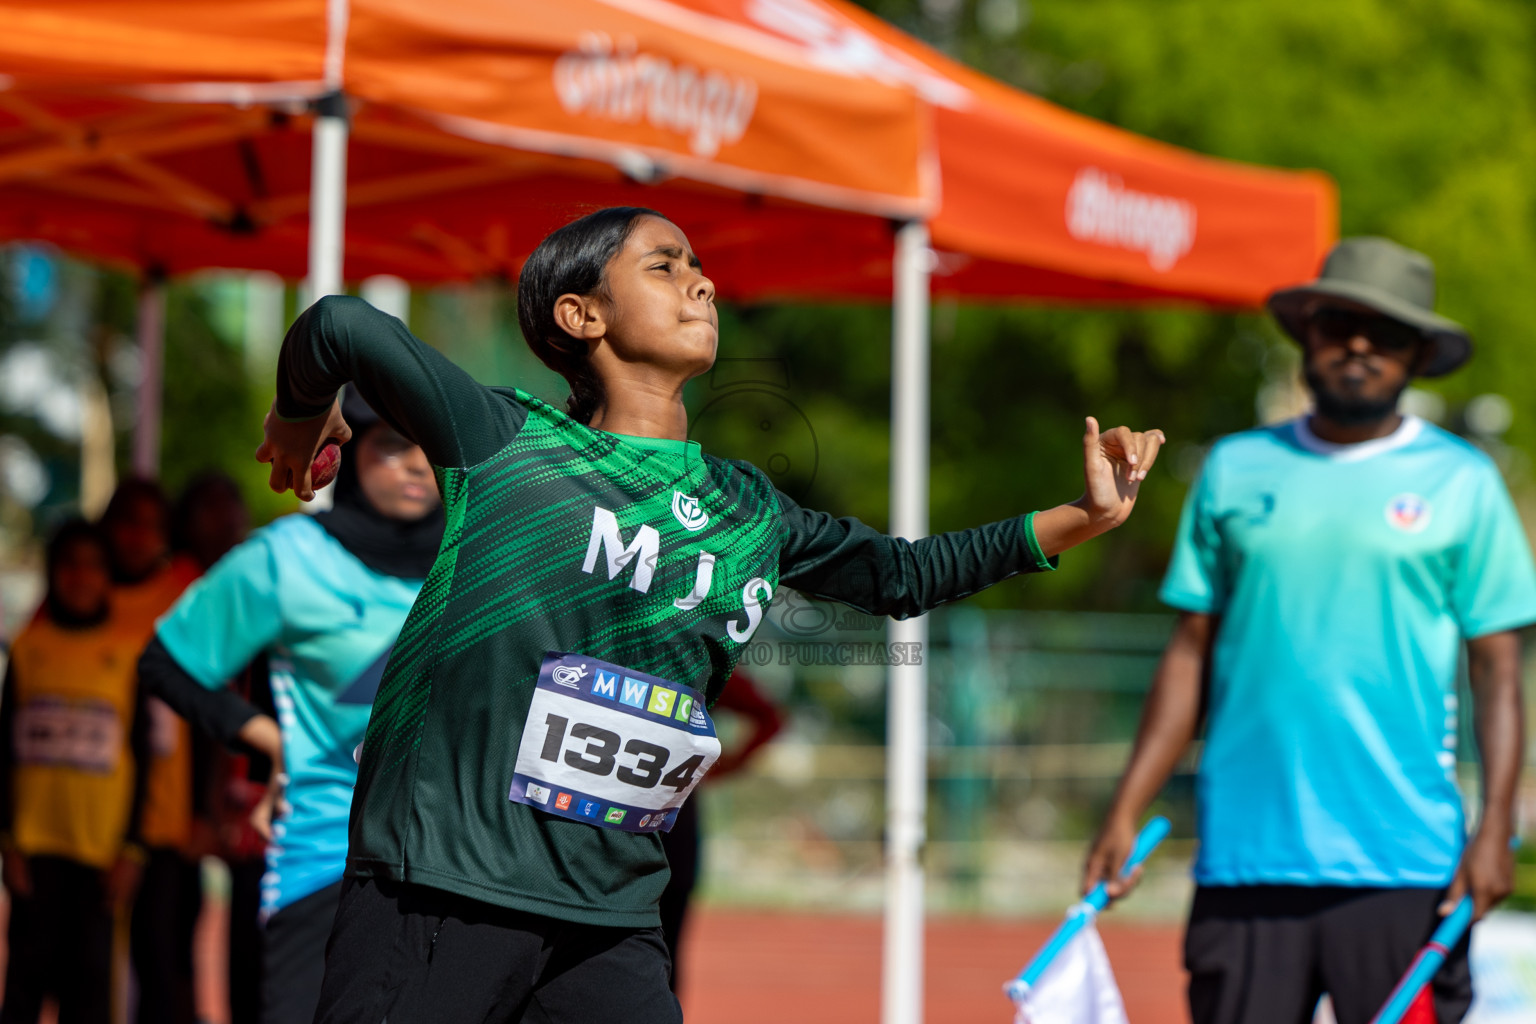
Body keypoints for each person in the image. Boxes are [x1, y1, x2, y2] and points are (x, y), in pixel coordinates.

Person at [256, 206, 1165, 1024]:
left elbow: (904, 575)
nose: (703, 280)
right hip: (447, 887)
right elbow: (339, 326)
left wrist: (1084, 516)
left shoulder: (747, 510)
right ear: (582, 317)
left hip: (609, 918)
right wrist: (301, 418)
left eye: (698, 265)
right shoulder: (512, 443)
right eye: (664, 264)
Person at [1082, 237, 1535, 1024]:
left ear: (1418, 354)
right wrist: (1127, 804)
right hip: (1246, 860)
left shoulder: (1462, 481)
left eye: (1386, 333)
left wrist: (1497, 827)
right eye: (1338, 323)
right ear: (1306, 335)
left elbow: (1498, 669)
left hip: (1407, 867)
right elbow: (1191, 650)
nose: (1358, 345)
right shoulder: (1232, 469)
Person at [138, 389, 444, 1024]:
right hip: (321, 868)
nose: (417, 464)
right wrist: (259, 734)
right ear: (348, 453)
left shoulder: (481, 565)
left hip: (454, 877)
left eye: (431, 448)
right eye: (392, 445)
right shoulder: (289, 558)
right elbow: (165, 660)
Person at [0, 520, 149, 1024]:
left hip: (101, 855)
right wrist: (7, 841)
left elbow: (144, 755)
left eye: (93, 565)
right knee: (24, 983)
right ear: (51, 573)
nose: (80, 577)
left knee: (89, 992)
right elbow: (4, 749)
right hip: (34, 849)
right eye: (68, 564)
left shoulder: (130, 653)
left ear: (107, 575)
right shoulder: (27, 648)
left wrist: (132, 849)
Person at [100, 478, 201, 1024]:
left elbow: (210, 702)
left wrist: (204, 808)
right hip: (95, 816)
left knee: (163, 962)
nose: (138, 537)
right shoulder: (85, 591)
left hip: (165, 818)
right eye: (127, 522)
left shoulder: (183, 593)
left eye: (151, 525)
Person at [658, 668, 783, 993]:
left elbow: (769, 718)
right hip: (658, 825)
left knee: (665, 950)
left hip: (671, 824)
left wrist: (724, 768)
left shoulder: (698, 663)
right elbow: (768, 718)